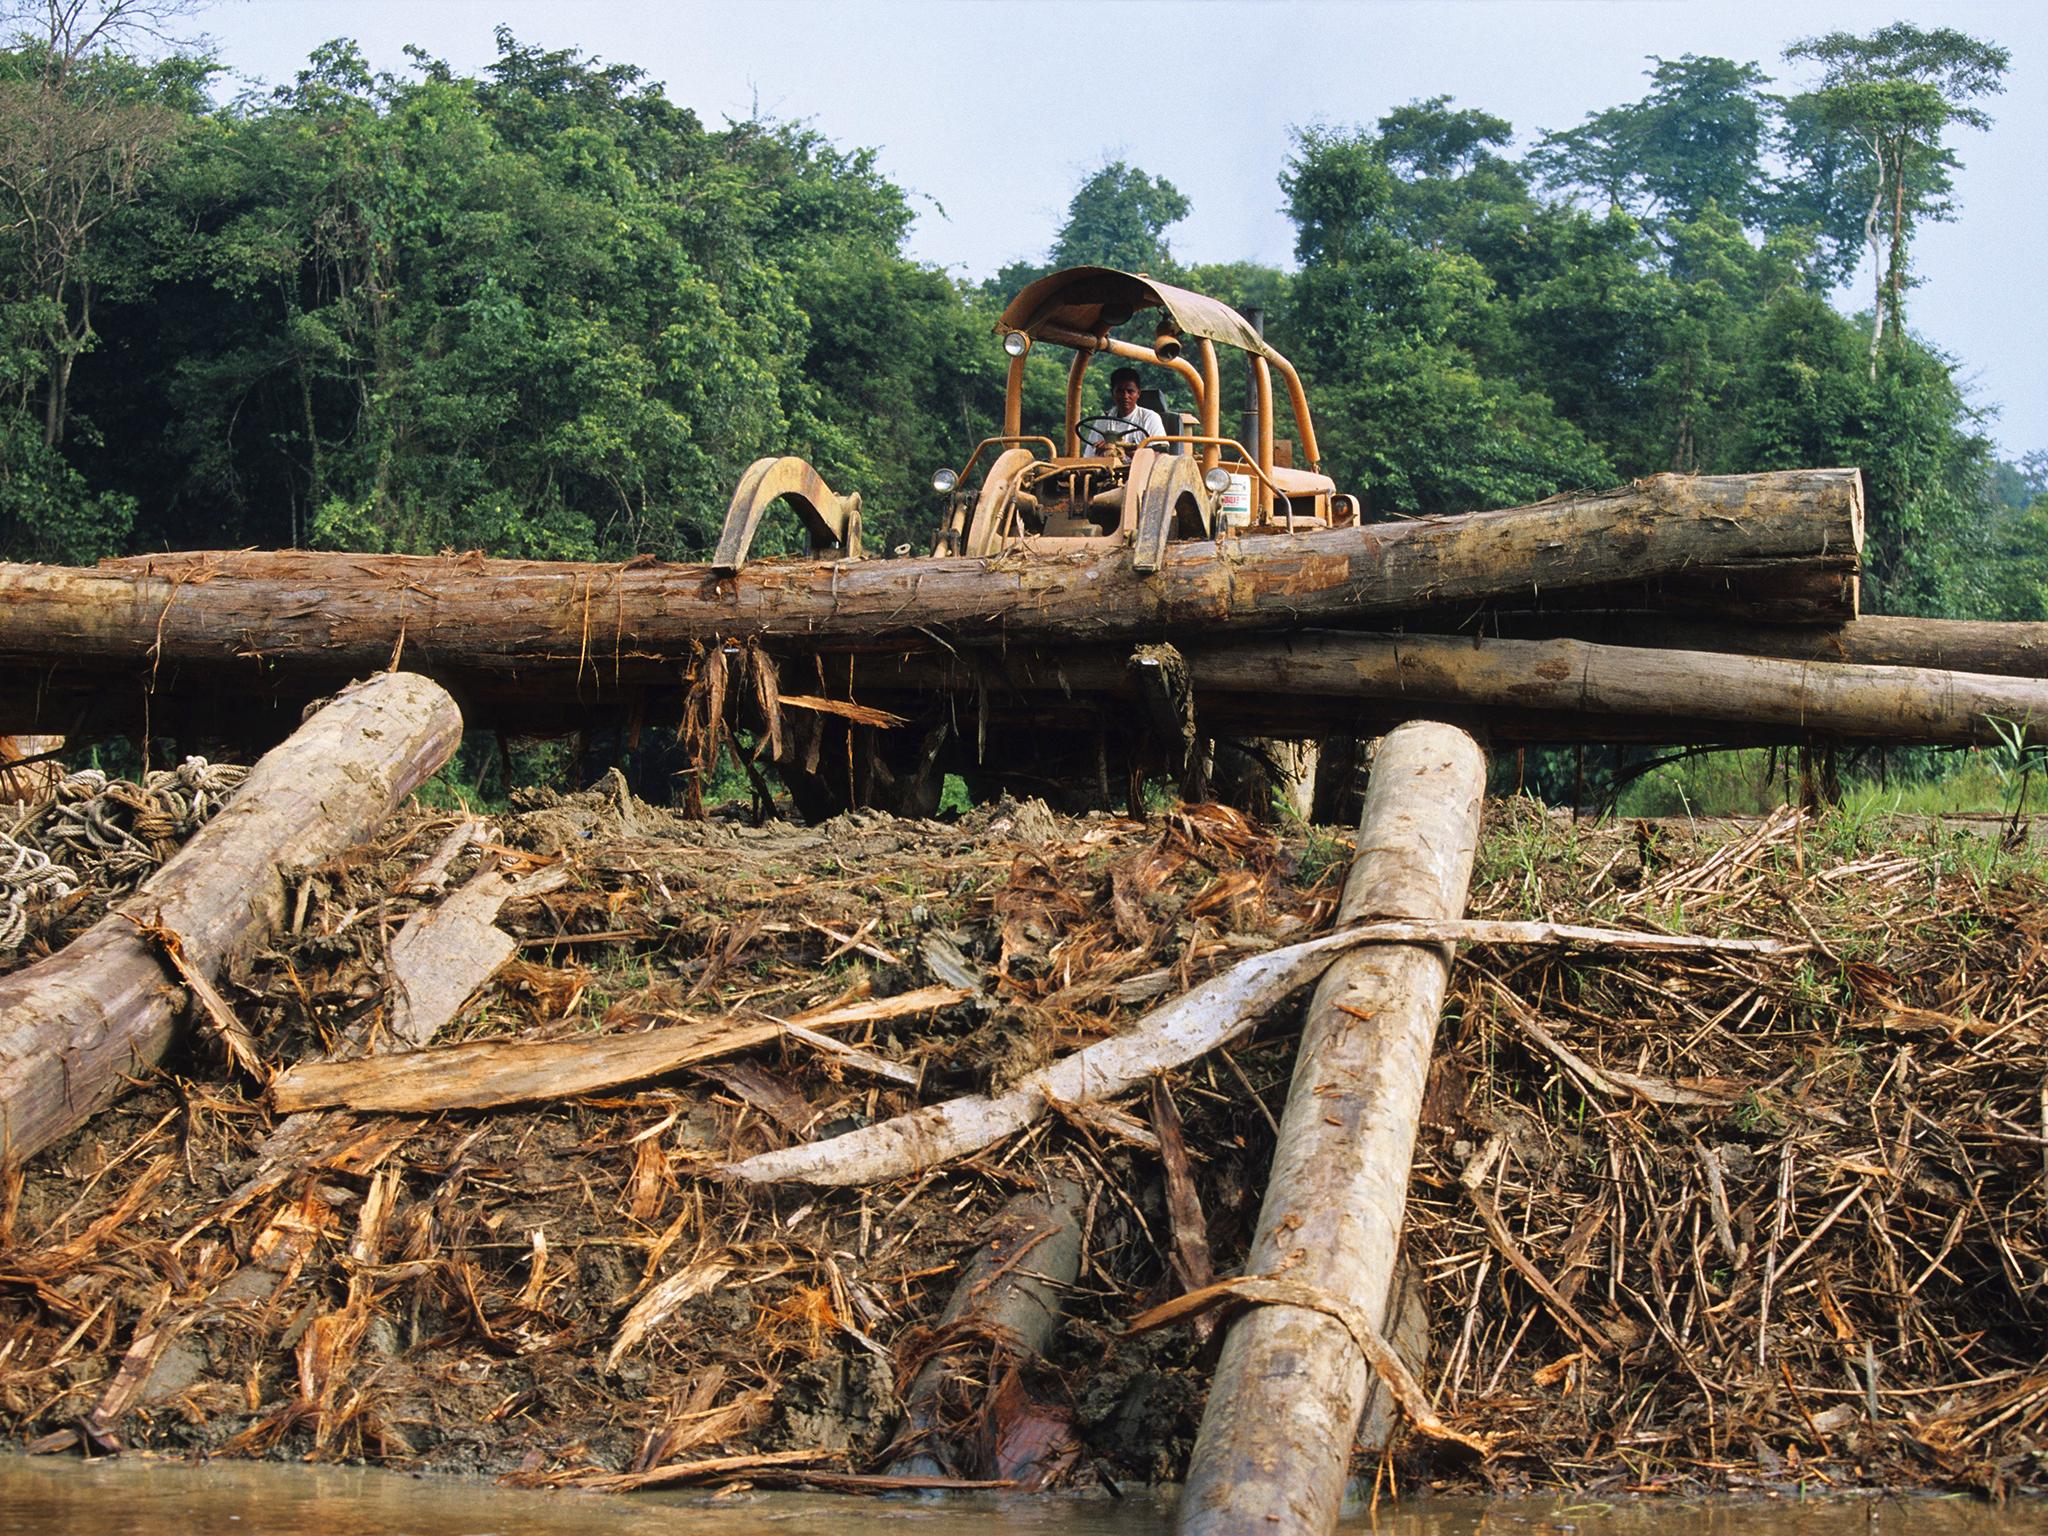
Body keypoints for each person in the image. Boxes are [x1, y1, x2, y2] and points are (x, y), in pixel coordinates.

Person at [1083, 366, 1165, 456]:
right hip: (1107, 468)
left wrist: (1129, 452)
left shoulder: (1150, 418)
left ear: (1138, 393)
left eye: (1130, 391)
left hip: (1139, 468)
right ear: (1112, 393)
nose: (1125, 396)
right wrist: (1099, 452)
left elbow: (1160, 455)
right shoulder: (1103, 421)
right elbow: (1088, 456)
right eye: (1120, 391)